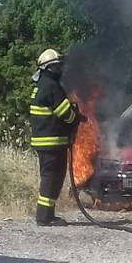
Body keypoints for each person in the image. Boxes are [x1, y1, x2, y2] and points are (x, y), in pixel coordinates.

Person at [30, 48, 79, 226]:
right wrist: (76, 117)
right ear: (49, 68)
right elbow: (65, 114)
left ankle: (46, 215)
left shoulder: (42, 85)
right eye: (57, 66)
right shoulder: (52, 87)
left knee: (50, 178)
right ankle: (44, 217)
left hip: (44, 142)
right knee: (52, 179)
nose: (60, 69)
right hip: (52, 143)